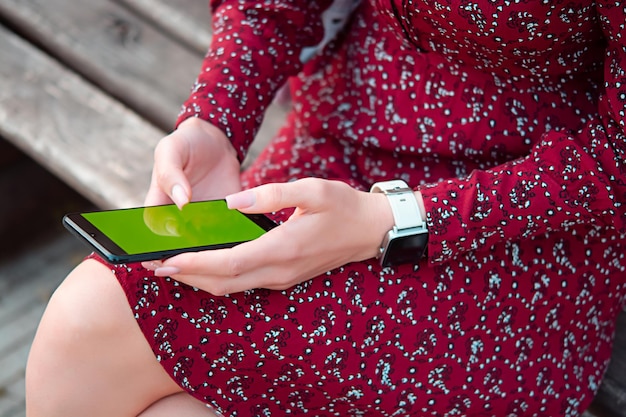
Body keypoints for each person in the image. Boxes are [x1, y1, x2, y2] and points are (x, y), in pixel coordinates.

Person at [25, 0, 626, 416]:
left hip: (524, 219)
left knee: (92, 325)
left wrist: (394, 220)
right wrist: (215, 118)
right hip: (333, 149)